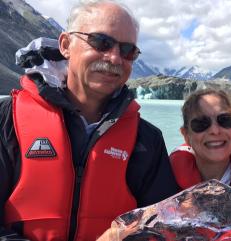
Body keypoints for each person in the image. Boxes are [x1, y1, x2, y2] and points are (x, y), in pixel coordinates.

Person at [0, 0, 180, 240]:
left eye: (128, 50)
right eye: (101, 42)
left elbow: (160, 229)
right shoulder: (7, 119)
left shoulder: (147, 140)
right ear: (66, 45)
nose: (115, 58)